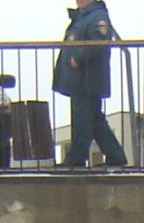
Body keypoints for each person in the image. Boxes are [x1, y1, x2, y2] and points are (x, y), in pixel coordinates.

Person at [52, 0, 128, 168]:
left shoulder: (96, 16)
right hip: (80, 79)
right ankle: (115, 155)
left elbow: (99, 42)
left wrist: (78, 58)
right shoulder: (83, 17)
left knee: (83, 118)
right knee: (93, 119)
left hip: (87, 80)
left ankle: (77, 157)